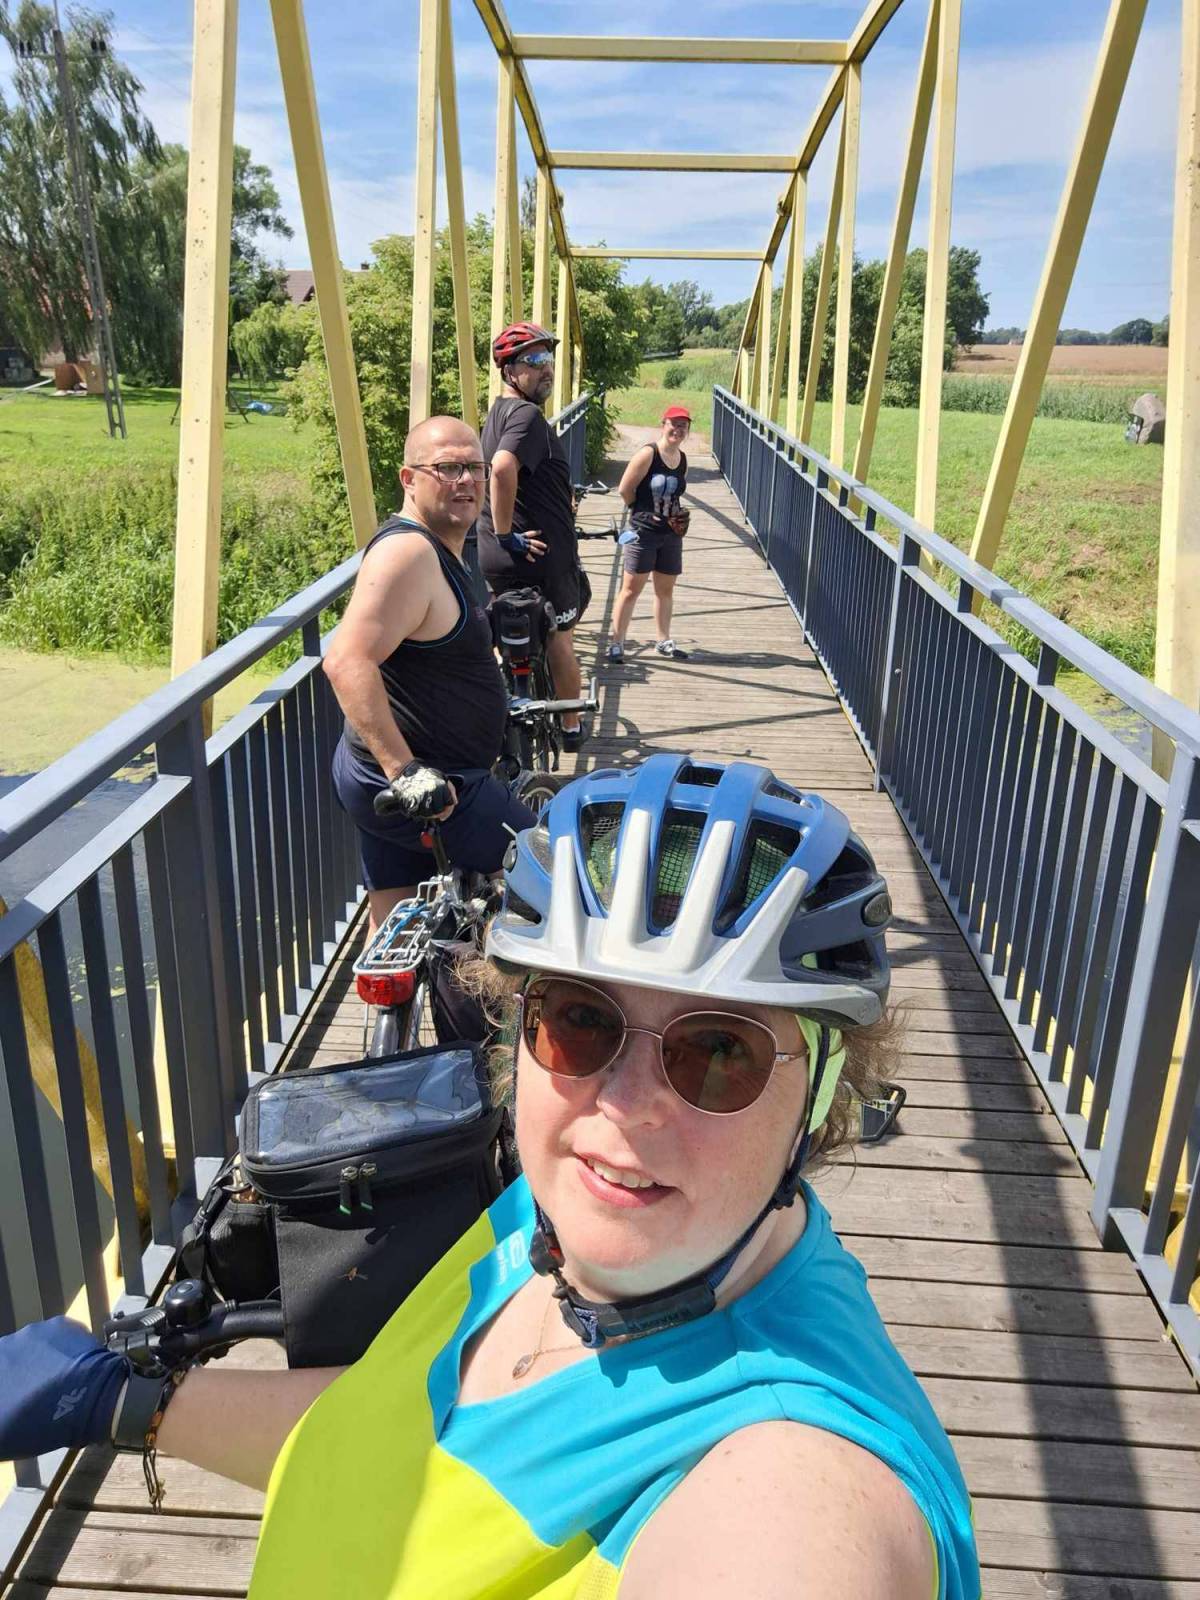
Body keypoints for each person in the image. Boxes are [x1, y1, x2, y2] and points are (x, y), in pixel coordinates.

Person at [0, 755, 980, 1599]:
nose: (624, 1105)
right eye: (581, 1021)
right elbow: (407, 1427)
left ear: (823, 1097)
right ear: (518, 1031)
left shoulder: (792, 1484)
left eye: (719, 1051)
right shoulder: (548, 1218)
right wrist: (128, 1401)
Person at [323, 414, 535, 934]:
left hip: (390, 775)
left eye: (475, 468)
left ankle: (390, 989)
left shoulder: (441, 547)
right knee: (551, 869)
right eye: (447, 468)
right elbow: (346, 660)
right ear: (408, 479)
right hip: (431, 784)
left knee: (393, 922)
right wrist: (405, 772)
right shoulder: (409, 553)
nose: (466, 481)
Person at [476, 321, 588, 750]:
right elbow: (503, 468)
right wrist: (508, 535)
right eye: (534, 360)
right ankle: (572, 726)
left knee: (508, 632)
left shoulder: (497, 414)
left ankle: (504, 710)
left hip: (497, 560)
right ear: (509, 371)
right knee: (559, 635)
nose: (547, 368)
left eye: (549, 358)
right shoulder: (526, 415)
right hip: (539, 558)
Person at [608, 405, 692, 663]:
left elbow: (675, 494)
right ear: (663, 424)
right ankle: (617, 642)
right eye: (673, 424)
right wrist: (640, 511)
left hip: (671, 533)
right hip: (643, 532)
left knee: (665, 590)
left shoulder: (682, 459)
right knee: (630, 589)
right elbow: (625, 489)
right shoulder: (648, 454)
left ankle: (663, 640)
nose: (677, 430)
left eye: (683, 426)